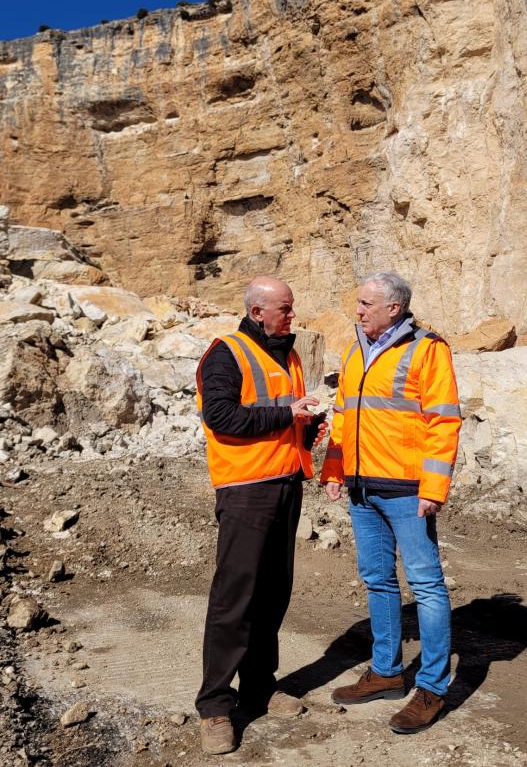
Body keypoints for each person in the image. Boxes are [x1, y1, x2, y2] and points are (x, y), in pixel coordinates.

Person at [321, 271, 461, 734]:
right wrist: (334, 469)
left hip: (406, 491)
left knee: (426, 586)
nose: (357, 312)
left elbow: (444, 422)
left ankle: (432, 689)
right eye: (358, 304)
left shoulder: (428, 349)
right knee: (377, 580)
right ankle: (385, 672)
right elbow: (343, 413)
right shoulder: (356, 348)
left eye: (365, 304)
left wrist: (433, 489)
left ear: (393, 308)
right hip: (362, 488)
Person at [195, 276, 324, 755]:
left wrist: (307, 423)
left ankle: (258, 686)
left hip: (286, 484)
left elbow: (286, 418)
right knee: (235, 597)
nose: (292, 315)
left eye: (291, 307)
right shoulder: (225, 353)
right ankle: (214, 706)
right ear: (257, 312)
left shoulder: (287, 354)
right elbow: (222, 418)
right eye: (285, 309)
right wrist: (288, 414)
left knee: (272, 591)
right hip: (246, 489)